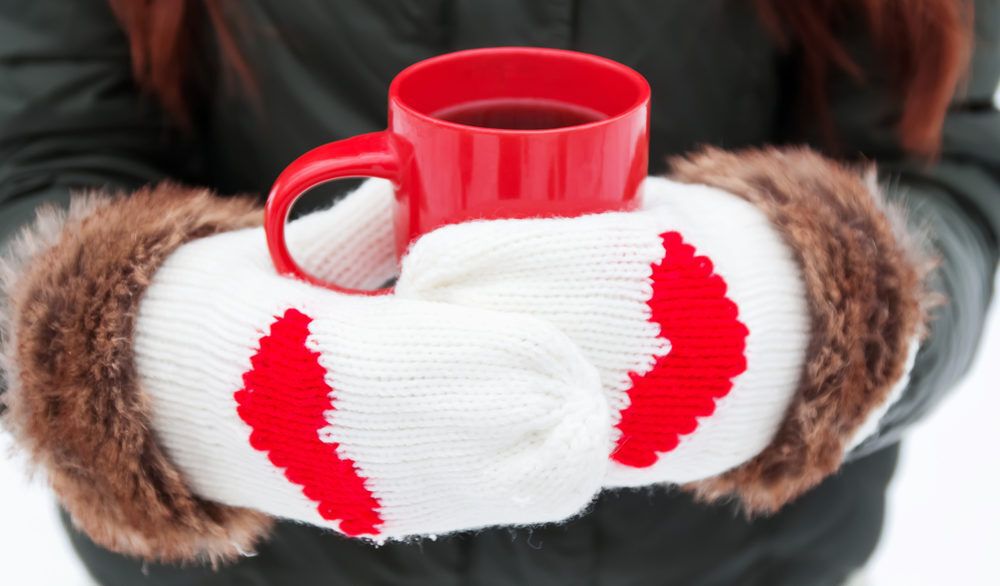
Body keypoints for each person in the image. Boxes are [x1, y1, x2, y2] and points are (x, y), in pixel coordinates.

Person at [0, 1, 996, 584]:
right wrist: (145, 350)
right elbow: (39, 151)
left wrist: (825, 310)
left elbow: (942, 159)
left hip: (725, 563)